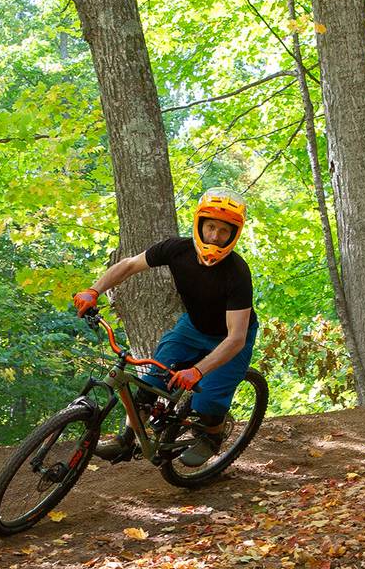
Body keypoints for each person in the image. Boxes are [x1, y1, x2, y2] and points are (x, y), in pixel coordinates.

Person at [73, 189, 256, 466]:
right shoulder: (176, 250)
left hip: (228, 340)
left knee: (208, 403)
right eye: (211, 227)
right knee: (148, 386)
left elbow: (236, 338)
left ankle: (211, 436)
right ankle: (127, 439)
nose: (215, 237)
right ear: (199, 225)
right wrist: (94, 290)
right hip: (192, 328)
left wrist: (198, 370)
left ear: (234, 234)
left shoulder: (237, 273)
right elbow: (129, 265)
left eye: (223, 230)